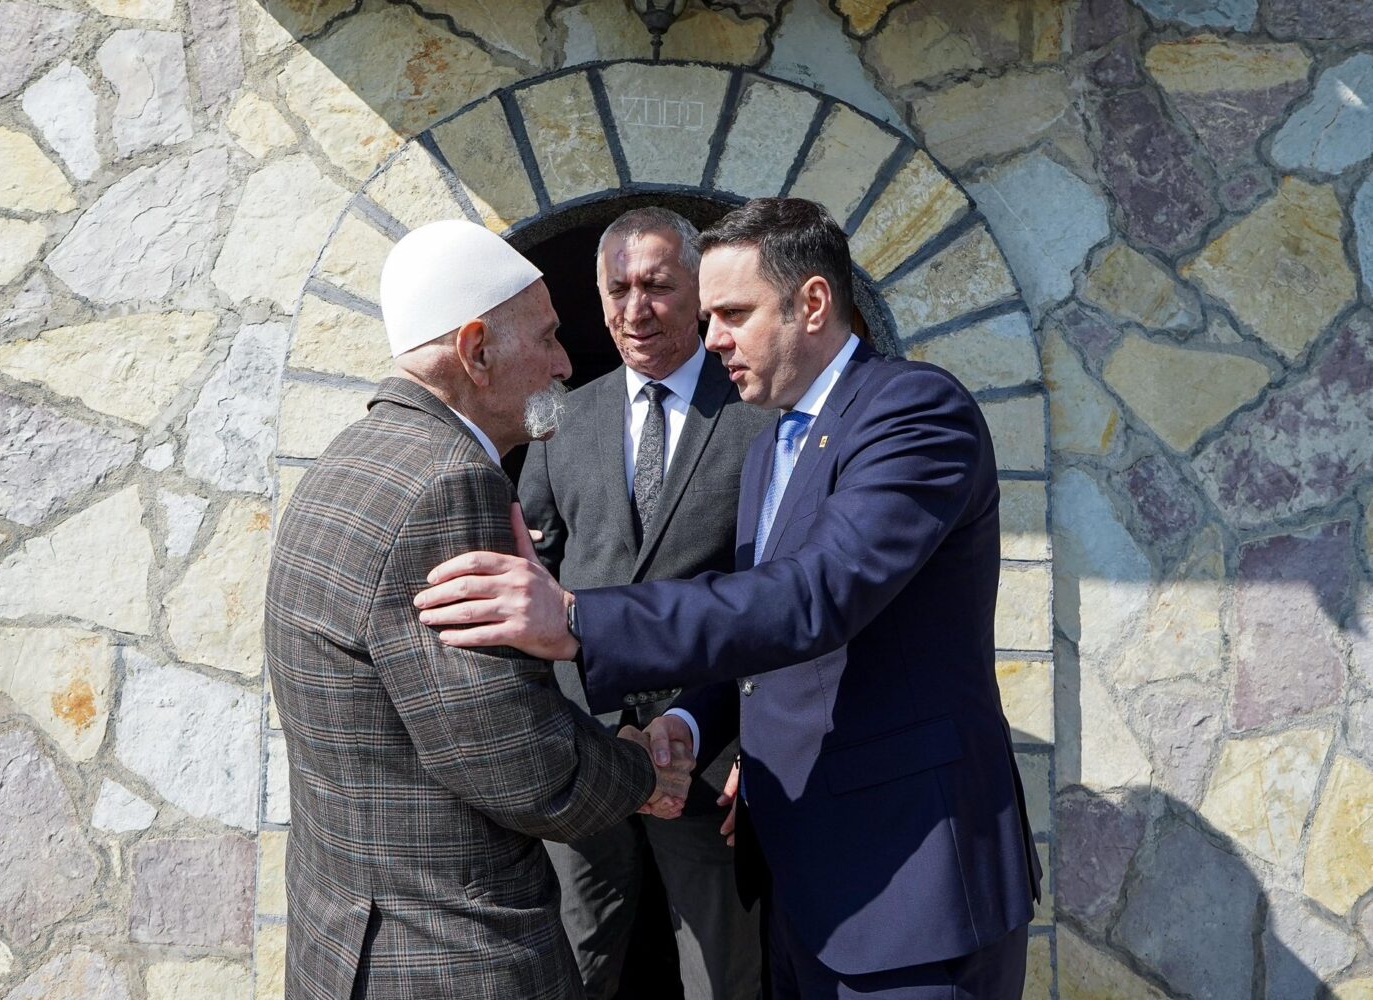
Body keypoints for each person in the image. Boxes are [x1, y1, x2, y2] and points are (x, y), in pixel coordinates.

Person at [413, 199, 1043, 999]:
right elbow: (765, 638)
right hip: (798, 872)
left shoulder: (913, 413)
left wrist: (575, 620)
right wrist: (689, 722)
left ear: (812, 303)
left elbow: (811, 598)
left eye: (733, 314)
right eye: (709, 316)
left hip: (909, 881)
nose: (711, 339)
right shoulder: (774, 440)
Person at [264, 218, 693, 1000]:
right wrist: (642, 772)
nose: (566, 363)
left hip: (349, 944)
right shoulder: (448, 484)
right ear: (475, 350)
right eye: (548, 336)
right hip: (446, 956)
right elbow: (517, 765)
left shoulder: (351, 458)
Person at [518, 207, 771, 1000]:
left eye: (657, 286)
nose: (636, 309)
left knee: (721, 978)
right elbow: (535, 572)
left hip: (711, 759)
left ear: (698, 290)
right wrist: (566, 731)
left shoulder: (759, 415)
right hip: (583, 753)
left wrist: (750, 741)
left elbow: (784, 596)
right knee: (573, 967)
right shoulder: (561, 417)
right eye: (618, 289)